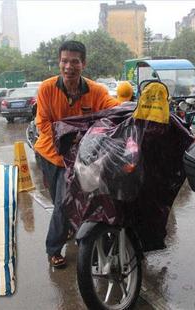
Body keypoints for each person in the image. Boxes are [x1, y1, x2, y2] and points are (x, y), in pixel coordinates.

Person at [34, 40, 120, 268]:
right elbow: (43, 123)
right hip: (51, 154)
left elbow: (114, 108)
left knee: (67, 201)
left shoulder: (97, 91)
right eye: (64, 61)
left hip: (82, 156)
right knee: (59, 200)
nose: (68, 66)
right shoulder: (46, 88)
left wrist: (137, 106)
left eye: (74, 61)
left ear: (84, 63)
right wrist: (65, 140)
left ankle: (53, 248)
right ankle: (63, 234)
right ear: (59, 62)